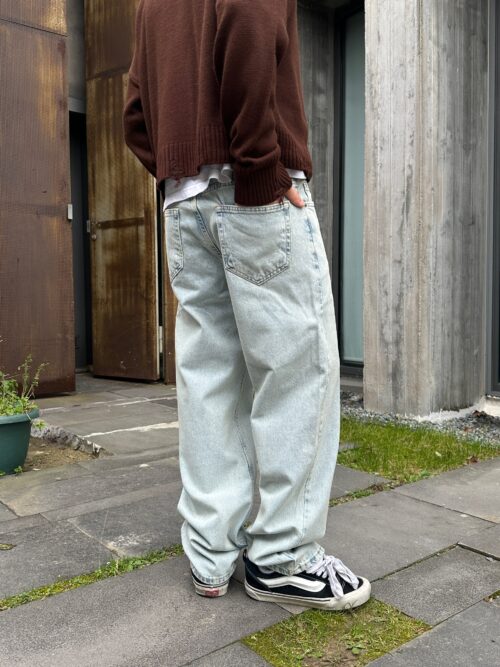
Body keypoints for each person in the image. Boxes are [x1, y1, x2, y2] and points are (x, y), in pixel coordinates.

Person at [123, 0, 371, 611]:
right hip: (253, 191)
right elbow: (251, 26)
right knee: (298, 370)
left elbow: (135, 115)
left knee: (209, 376)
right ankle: (283, 557)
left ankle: (209, 554)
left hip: (184, 202)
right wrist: (260, 170)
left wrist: (179, 176)